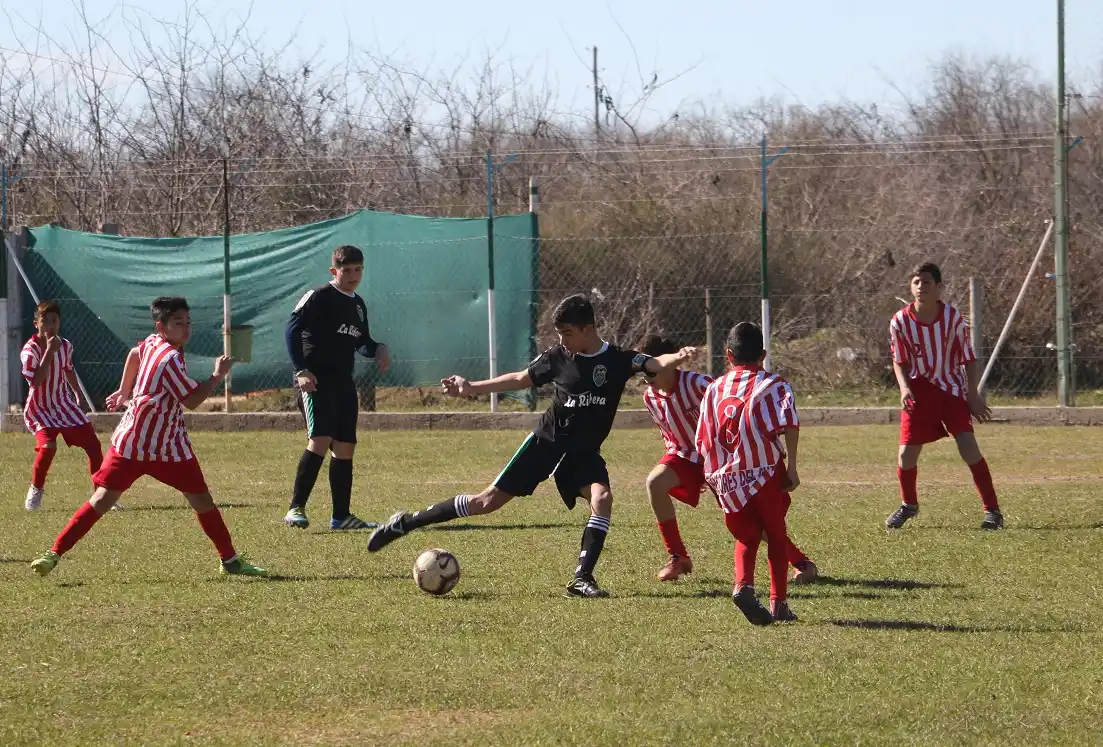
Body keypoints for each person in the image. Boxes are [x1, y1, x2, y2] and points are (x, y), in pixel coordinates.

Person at [366, 294, 695, 598]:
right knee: (486, 502)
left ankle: (582, 577)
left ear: (587, 329)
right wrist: (471, 387)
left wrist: (678, 357)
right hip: (547, 442)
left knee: (603, 498)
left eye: (567, 332)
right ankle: (404, 522)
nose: (562, 340)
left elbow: (654, 364)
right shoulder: (558, 357)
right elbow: (521, 378)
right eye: (559, 334)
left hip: (582, 454)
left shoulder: (618, 360)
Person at [29, 296, 268, 578]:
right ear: (161, 326)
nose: (186, 329)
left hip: (141, 441)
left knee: (110, 500)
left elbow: (134, 353)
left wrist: (123, 391)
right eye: (178, 323)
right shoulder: (169, 359)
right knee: (189, 502)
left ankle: (54, 553)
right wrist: (217, 375)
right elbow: (191, 400)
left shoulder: (155, 342)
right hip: (160, 446)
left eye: (188, 323)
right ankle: (54, 552)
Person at [640, 334, 817, 585]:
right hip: (686, 456)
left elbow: (734, 410)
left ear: (671, 365)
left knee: (750, 523)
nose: (648, 379)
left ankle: (801, 562)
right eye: (645, 374)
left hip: (722, 459)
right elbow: (670, 434)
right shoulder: (650, 397)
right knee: (654, 483)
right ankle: (678, 556)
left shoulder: (701, 384)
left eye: (654, 372)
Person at [696, 322, 800, 625]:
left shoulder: (714, 389)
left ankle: (743, 585)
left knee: (746, 535)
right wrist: (792, 466)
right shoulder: (774, 384)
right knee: (775, 534)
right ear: (764, 355)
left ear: (728, 355)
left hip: (726, 477)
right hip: (764, 470)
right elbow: (789, 422)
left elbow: (703, 437)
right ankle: (778, 603)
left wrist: (710, 476)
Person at [886, 262, 1003, 530]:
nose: (920, 287)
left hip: (951, 390)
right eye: (916, 282)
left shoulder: (953, 319)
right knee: (906, 456)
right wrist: (904, 388)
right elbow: (899, 360)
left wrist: (972, 395)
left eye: (926, 282)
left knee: (968, 447)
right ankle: (909, 505)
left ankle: (993, 511)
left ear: (939, 288)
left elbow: (969, 359)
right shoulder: (900, 321)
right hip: (918, 392)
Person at [283, 245, 391, 531]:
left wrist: (378, 348)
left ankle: (341, 516)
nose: (353, 275)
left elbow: (362, 342)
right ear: (334, 271)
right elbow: (292, 329)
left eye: (358, 270)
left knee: (345, 446)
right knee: (320, 439)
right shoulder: (319, 297)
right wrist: (301, 370)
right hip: (316, 379)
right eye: (347, 270)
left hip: (344, 382)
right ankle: (296, 507)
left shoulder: (357, 304)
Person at [20, 300, 105, 511]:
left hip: (63, 404)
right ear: (35, 324)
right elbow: (36, 381)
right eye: (45, 321)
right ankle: (36, 488)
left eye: (54, 321)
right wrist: (49, 350)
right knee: (48, 447)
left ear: (59, 323)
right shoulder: (29, 351)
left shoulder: (65, 345)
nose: (50, 325)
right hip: (40, 409)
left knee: (93, 445)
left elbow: (68, 369)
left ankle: (102, 495)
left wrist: (77, 393)